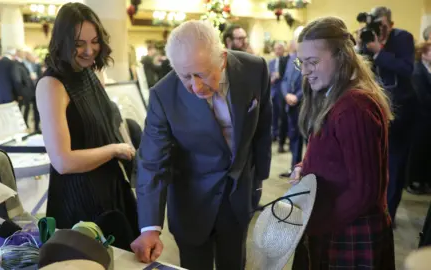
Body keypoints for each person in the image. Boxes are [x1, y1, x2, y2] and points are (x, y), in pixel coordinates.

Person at [131, 20, 272, 269]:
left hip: (238, 196)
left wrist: (258, 179)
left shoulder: (254, 69)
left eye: (202, 74)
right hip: (191, 204)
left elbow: (262, 126)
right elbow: (152, 162)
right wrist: (150, 227)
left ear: (223, 59)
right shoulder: (163, 96)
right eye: (186, 76)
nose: (195, 86)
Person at [289, 17, 395, 269]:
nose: (305, 71)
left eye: (313, 62)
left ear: (341, 57)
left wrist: (317, 226)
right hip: (335, 222)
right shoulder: (334, 96)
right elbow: (333, 155)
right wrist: (305, 166)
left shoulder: (353, 106)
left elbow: (364, 191)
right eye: (301, 63)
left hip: (347, 227)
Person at [35, 2, 139, 243]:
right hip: (79, 197)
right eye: (79, 44)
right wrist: (114, 150)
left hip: (109, 188)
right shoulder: (52, 85)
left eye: (94, 42)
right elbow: (63, 161)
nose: (89, 51)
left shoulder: (91, 72)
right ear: (62, 43)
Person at [359, 6, 416, 226]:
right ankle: (373, 208)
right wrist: (360, 47)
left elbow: (406, 68)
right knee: (372, 162)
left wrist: (379, 52)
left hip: (401, 112)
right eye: (374, 25)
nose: (378, 30)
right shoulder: (367, 37)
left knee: (394, 164)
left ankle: (388, 216)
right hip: (375, 110)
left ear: (391, 25)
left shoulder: (403, 38)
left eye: (382, 26)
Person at [406, 41, 431, 195]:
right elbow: (422, 95)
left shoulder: (427, 69)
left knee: (425, 151)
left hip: (427, 118)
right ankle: (412, 181)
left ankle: (422, 179)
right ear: (423, 53)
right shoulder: (417, 70)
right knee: (417, 151)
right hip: (420, 117)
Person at [278, 38, 303, 178]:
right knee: (293, 137)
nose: (291, 44)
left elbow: (308, 80)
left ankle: (303, 170)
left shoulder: (307, 58)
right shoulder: (292, 58)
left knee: (305, 139)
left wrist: (297, 97)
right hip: (290, 104)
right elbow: (285, 80)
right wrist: (286, 94)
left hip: (302, 104)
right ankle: (294, 168)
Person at [268, 42, 289, 152]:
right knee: (273, 115)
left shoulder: (288, 61)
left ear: (284, 49)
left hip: (283, 93)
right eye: (275, 48)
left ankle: (282, 137)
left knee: (282, 116)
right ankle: (274, 134)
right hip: (273, 92)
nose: (277, 50)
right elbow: (267, 76)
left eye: (280, 48)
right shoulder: (270, 62)